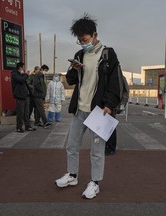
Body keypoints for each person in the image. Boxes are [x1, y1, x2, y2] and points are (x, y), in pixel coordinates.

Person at [55, 14, 121, 199]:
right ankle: (72, 175)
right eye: (80, 41)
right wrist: (74, 69)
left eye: (85, 40)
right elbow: (70, 80)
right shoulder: (80, 54)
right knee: (72, 145)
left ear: (94, 35)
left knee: (97, 151)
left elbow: (115, 82)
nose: (83, 43)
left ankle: (95, 183)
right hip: (79, 110)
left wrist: (109, 104)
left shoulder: (108, 54)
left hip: (98, 111)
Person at [11, 62, 36, 132]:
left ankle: (27, 126)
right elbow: (21, 80)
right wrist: (25, 74)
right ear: (20, 68)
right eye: (23, 67)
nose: (24, 69)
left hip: (26, 96)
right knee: (20, 113)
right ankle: (19, 127)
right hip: (19, 96)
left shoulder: (22, 75)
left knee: (26, 112)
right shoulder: (14, 74)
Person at [27, 65, 51, 129]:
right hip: (38, 95)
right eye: (45, 70)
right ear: (42, 69)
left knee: (38, 109)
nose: (46, 72)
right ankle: (45, 122)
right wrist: (41, 91)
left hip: (41, 95)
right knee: (41, 109)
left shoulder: (42, 76)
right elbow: (37, 85)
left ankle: (37, 122)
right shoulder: (37, 75)